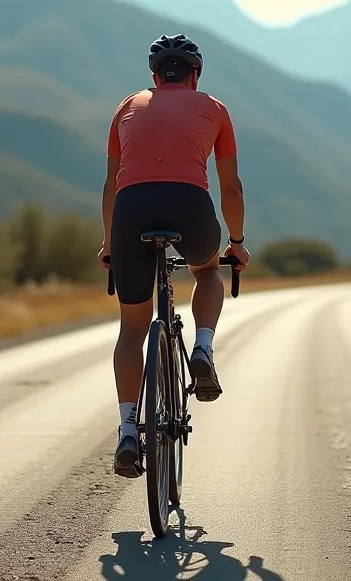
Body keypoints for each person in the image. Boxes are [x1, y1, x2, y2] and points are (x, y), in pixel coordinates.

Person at [98, 33, 250, 479]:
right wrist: (236, 242)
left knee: (133, 327)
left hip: (130, 210)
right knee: (206, 271)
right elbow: (232, 187)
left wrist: (110, 243)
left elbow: (111, 186)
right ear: (195, 74)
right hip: (190, 206)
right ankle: (202, 347)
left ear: (153, 76)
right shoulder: (215, 109)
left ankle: (128, 429)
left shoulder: (127, 107)